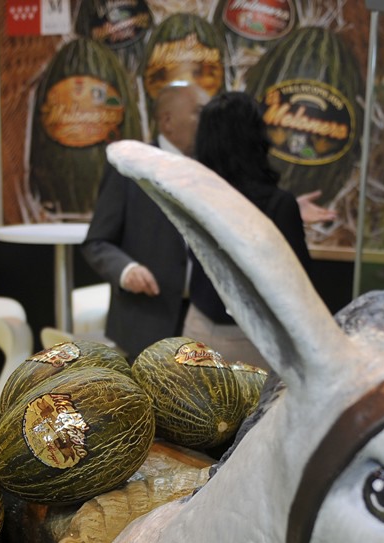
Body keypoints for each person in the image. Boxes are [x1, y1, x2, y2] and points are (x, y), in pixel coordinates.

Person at [182, 90, 312, 372]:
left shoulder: (192, 196)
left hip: (195, 332)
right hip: (253, 342)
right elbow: (299, 287)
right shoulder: (278, 204)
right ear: (256, 137)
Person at [82, 80, 210, 358]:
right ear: (167, 121)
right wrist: (126, 270)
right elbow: (97, 243)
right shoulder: (130, 169)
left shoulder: (212, 170)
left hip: (205, 327)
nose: (209, 120)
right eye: (200, 112)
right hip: (146, 325)